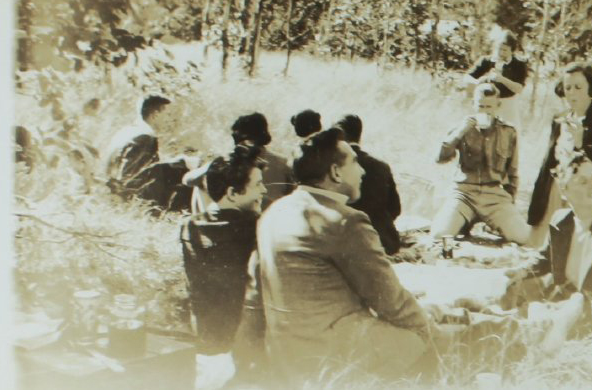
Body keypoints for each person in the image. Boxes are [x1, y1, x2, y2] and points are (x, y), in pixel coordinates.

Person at [256, 127, 434, 384]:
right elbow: (390, 300)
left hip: (286, 352)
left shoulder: (274, 212)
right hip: (335, 355)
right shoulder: (344, 220)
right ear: (335, 172)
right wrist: (428, 332)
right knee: (446, 342)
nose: (361, 171)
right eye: (354, 162)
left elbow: (256, 288)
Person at [504, 154, 592, 336]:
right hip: (562, 302)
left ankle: (532, 330)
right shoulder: (560, 220)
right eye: (583, 181)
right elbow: (545, 259)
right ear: (564, 190)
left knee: (534, 326)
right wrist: (520, 271)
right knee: (511, 289)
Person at [180, 146, 267, 388]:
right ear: (232, 193)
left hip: (205, 338)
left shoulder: (190, 226)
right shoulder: (256, 227)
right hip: (241, 345)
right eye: (258, 184)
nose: (264, 190)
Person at [430, 83, 547, 248]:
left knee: (524, 237)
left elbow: (513, 172)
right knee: (439, 235)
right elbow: (439, 158)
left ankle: (491, 224)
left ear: (498, 106)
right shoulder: (463, 127)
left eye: (489, 107)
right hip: (464, 194)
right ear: (474, 105)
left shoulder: (508, 132)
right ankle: (465, 222)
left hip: (494, 196)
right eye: (480, 106)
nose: (484, 111)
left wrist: (509, 205)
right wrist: (459, 133)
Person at [527, 62, 592, 233]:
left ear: (590, 88)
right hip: (556, 194)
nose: (572, 93)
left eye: (578, 87)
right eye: (568, 87)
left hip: (586, 195)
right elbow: (548, 163)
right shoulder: (559, 119)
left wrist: (581, 143)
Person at [184, 112, 296, 213]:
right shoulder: (284, 162)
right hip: (271, 221)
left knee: (200, 184)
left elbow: (188, 180)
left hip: (243, 219)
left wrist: (205, 166)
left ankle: (203, 229)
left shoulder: (233, 162)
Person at [335, 114, 403, 255]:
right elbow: (395, 208)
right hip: (385, 241)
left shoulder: (334, 167)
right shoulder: (381, 166)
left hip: (349, 244)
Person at [104, 94, 173, 192]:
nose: (168, 120)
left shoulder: (127, 131)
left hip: (110, 185)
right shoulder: (146, 137)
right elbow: (131, 175)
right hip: (125, 194)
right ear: (155, 114)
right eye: (166, 115)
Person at [464, 32, 529, 127]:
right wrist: (478, 82)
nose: (501, 53)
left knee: (509, 131)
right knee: (484, 129)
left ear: (512, 51)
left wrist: (502, 79)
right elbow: (467, 77)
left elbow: (519, 89)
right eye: (499, 49)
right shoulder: (486, 60)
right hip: (487, 103)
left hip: (507, 103)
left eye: (505, 50)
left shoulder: (519, 64)